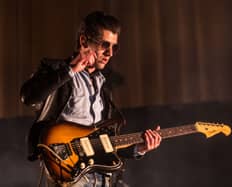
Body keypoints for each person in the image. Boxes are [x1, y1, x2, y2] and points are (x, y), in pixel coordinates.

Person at [20, 11, 162, 187]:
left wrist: (139, 148)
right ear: (84, 41)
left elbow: (104, 141)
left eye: (114, 47)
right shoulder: (55, 69)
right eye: (105, 45)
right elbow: (28, 97)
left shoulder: (104, 87)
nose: (110, 53)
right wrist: (70, 70)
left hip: (102, 175)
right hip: (70, 175)